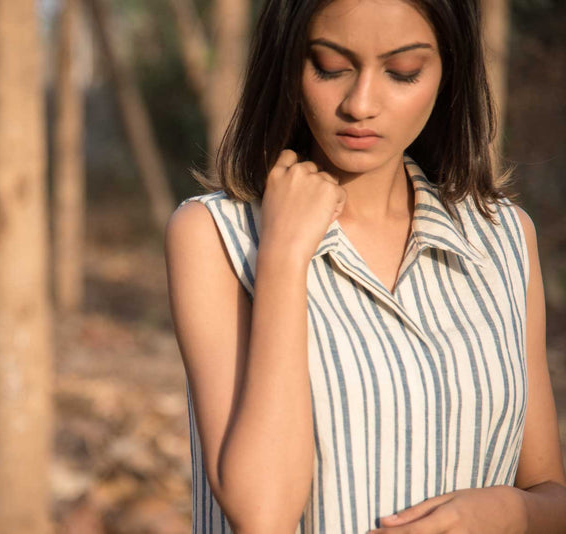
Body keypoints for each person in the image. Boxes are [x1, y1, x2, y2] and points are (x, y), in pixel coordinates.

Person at [163, 0, 566, 532]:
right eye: (331, 67)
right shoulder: (216, 235)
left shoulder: (505, 238)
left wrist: (506, 512)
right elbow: (261, 513)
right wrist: (283, 256)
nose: (361, 103)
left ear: (448, 71)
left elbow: (549, 495)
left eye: (403, 73)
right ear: (288, 62)